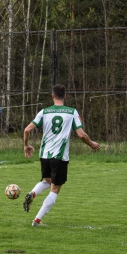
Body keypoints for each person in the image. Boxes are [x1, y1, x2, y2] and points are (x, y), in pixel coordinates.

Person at [23, 84, 100, 226]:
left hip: (44, 155)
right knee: (55, 188)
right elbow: (81, 134)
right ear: (65, 96)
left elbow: (27, 130)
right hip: (59, 156)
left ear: (52, 96)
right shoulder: (71, 112)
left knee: (48, 181)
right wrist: (91, 144)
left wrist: (26, 145)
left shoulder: (44, 112)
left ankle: (32, 193)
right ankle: (37, 220)